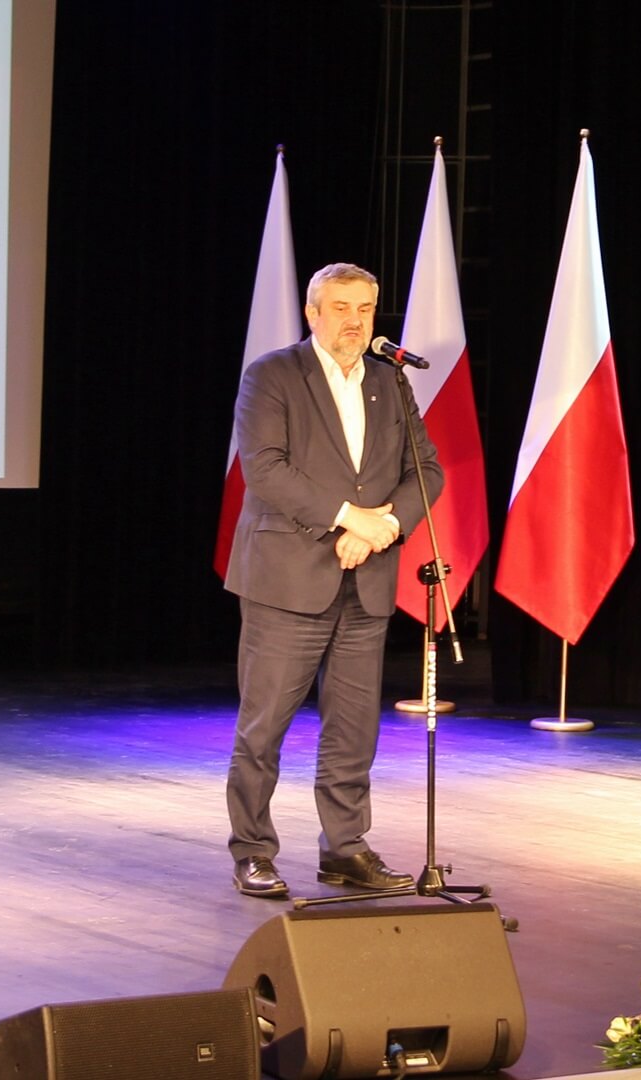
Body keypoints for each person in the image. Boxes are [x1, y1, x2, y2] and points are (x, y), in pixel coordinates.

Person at [223, 262, 444, 899]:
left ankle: (345, 849)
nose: (355, 320)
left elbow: (426, 470)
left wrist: (384, 527)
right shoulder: (272, 375)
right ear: (312, 314)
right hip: (287, 579)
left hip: (366, 579)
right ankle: (253, 851)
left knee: (353, 727)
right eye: (341, 307)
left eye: (365, 308)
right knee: (264, 726)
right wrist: (350, 518)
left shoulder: (389, 380)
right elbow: (266, 469)